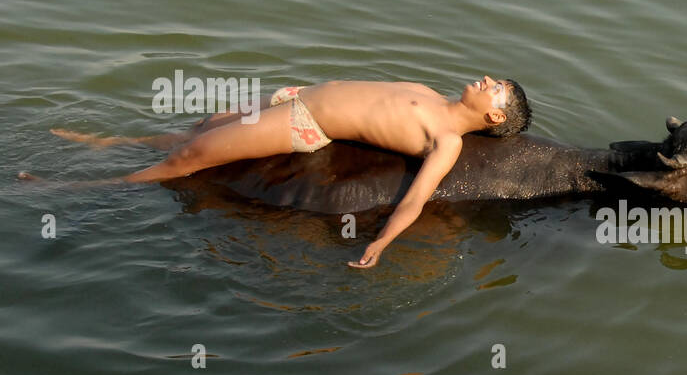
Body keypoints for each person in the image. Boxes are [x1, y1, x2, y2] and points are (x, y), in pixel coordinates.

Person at [51, 76, 532, 268]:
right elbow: (360, 88)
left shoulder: (445, 142)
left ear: (494, 118)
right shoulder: (428, 91)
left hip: (305, 123)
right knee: (195, 130)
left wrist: (380, 244)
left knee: (189, 159)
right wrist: (301, 87)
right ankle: (109, 145)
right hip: (297, 98)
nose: (486, 81)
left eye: (497, 90)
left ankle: (83, 187)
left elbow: (414, 199)